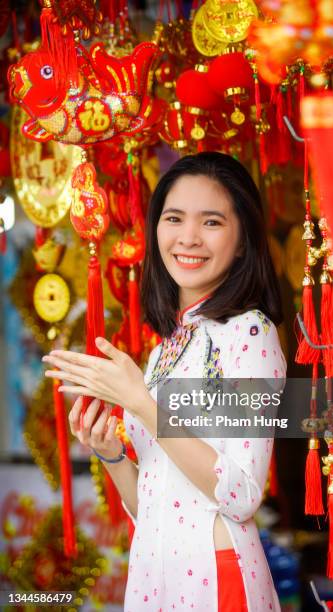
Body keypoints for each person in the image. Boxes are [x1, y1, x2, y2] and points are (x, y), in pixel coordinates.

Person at [43, 152, 287, 611]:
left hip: (216, 578)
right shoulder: (166, 348)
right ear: (156, 230)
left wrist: (140, 402)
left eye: (211, 222)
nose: (188, 238)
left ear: (242, 242)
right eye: (174, 218)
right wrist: (111, 453)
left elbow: (241, 495)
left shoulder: (251, 334)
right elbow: (156, 503)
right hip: (155, 571)